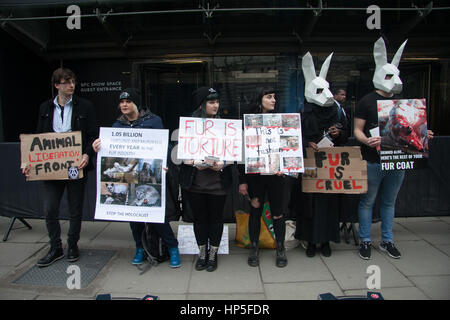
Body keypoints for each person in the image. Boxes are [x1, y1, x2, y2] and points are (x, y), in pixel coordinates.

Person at [354, 37, 434, 260]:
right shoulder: (366, 101)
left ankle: (387, 240)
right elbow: (358, 130)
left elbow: (409, 129)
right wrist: (365, 141)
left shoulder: (404, 103)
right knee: (368, 201)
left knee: (389, 202)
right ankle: (366, 240)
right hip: (373, 160)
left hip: (398, 159)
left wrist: (423, 134)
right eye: (389, 75)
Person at [92, 88, 181, 268]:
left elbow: (162, 147)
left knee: (157, 216)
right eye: (122, 102)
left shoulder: (154, 121)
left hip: (149, 176)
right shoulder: (117, 126)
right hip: (128, 179)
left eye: (128, 101)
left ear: (136, 103)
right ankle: (139, 248)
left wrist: (164, 165)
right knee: (134, 218)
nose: (124, 104)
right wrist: (98, 147)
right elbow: (112, 152)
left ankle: (172, 248)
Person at [22, 67, 97, 267]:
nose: (71, 85)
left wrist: (86, 154)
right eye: (66, 82)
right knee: (50, 209)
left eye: (73, 81)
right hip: (51, 168)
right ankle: (55, 246)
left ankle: (72, 244)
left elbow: (92, 136)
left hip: (75, 166)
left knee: (75, 209)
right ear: (57, 85)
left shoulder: (85, 107)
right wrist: (28, 160)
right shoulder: (45, 108)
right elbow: (38, 138)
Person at [295, 52, 348, 257]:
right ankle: (310, 240)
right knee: (309, 204)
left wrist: (339, 133)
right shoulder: (304, 113)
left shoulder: (337, 112)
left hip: (331, 167)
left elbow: (345, 134)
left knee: (329, 204)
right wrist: (306, 143)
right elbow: (294, 138)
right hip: (310, 167)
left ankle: (326, 240)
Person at [179, 87, 233, 272]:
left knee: (217, 220)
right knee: (200, 220)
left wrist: (224, 163)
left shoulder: (226, 125)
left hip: (218, 184)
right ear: (202, 105)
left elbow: (233, 152)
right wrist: (194, 162)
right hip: (196, 183)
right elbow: (181, 154)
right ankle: (202, 252)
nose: (215, 105)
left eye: (217, 101)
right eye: (211, 102)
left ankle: (213, 254)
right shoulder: (189, 125)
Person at [238, 87, 289, 268]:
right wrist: (242, 180)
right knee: (255, 209)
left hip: (276, 175)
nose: (273, 100)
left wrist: (286, 166)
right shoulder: (250, 121)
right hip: (256, 176)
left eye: (274, 97)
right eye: (269, 97)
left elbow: (288, 146)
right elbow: (243, 151)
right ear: (260, 100)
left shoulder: (281, 120)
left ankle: (280, 248)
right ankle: (254, 247)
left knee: (278, 212)